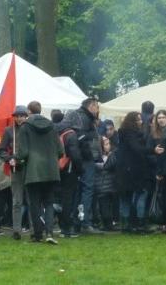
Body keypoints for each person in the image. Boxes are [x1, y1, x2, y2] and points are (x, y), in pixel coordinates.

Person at [16, 101, 64, 245]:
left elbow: (23, 153)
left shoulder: (25, 127)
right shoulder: (52, 126)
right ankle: (49, 233)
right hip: (51, 170)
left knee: (34, 204)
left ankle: (37, 235)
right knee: (49, 203)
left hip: (33, 171)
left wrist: (17, 158)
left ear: (29, 112)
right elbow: (61, 151)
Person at [116, 111, 164, 233]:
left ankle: (126, 225)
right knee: (139, 195)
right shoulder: (132, 135)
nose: (141, 122)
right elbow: (137, 149)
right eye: (138, 120)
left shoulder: (124, 134)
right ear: (133, 121)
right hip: (133, 170)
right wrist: (152, 150)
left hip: (124, 170)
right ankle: (139, 224)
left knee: (125, 198)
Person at [0, 105, 29, 240]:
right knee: (17, 200)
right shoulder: (9, 131)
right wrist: (9, 159)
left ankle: (34, 229)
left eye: (22, 116)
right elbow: (2, 150)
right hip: (16, 169)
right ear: (14, 117)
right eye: (18, 116)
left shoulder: (31, 130)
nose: (20, 118)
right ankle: (16, 230)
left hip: (30, 169)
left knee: (32, 200)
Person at [74, 98, 102, 234]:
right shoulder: (85, 118)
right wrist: (90, 155)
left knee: (80, 190)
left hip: (79, 159)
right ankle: (85, 222)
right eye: (97, 107)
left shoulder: (78, 116)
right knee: (87, 189)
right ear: (91, 106)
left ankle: (78, 222)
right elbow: (82, 138)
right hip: (86, 159)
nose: (97, 110)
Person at [56, 111, 84, 238]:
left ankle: (62, 226)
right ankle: (67, 228)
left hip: (59, 169)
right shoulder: (71, 134)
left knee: (61, 199)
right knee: (69, 200)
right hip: (69, 170)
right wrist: (81, 170)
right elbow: (75, 155)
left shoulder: (58, 131)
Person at [94, 138, 117, 231]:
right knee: (104, 206)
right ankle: (107, 224)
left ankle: (108, 224)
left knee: (107, 206)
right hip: (104, 186)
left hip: (107, 185)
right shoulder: (103, 158)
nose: (109, 146)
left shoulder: (109, 156)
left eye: (109, 144)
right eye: (106, 144)